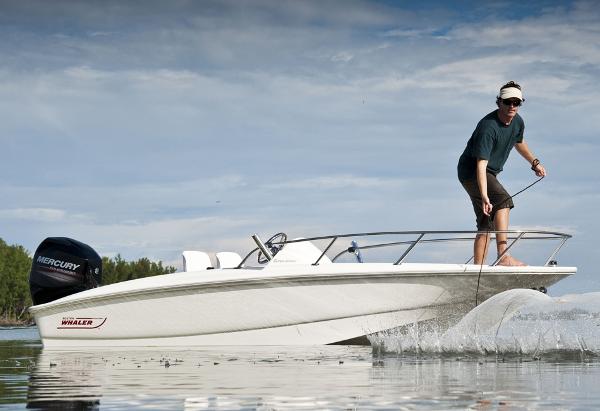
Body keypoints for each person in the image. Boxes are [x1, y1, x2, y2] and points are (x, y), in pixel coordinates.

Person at [457, 81, 546, 266]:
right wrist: (483, 196)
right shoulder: (488, 127)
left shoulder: (518, 122)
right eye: (508, 102)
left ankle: (478, 269)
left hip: (489, 174)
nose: (512, 106)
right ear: (499, 102)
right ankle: (503, 256)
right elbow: (480, 166)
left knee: (486, 222)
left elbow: (518, 141)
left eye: (517, 102)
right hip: (472, 171)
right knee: (503, 201)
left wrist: (534, 162)